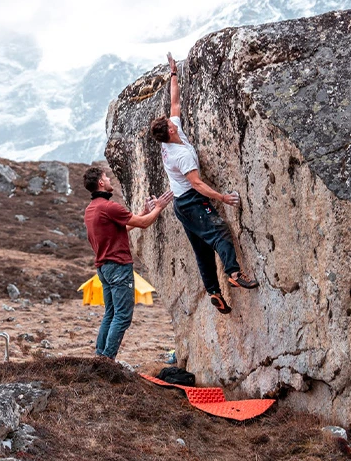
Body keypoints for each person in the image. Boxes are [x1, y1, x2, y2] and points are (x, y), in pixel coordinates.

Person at [149, 52, 257, 315]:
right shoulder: (181, 154)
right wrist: (222, 198)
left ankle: (214, 292)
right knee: (219, 233)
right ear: (171, 131)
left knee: (202, 249)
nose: (171, 119)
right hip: (192, 202)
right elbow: (197, 184)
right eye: (169, 123)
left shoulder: (171, 135)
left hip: (181, 206)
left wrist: (174, 73)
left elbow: (175, 102)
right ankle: (233, 273)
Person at [83, 165, 173, 360]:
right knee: (122, 316)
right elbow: (143, 224)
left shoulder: (92, 209)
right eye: (106, 177)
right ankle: (107, 359)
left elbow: (122, 228)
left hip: (103, 268)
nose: (109, 180)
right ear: (100, 183)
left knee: (111, 313)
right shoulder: (109, 206)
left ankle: (100, 357)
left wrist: (142, 211)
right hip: (118, 265)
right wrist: (158, 207)